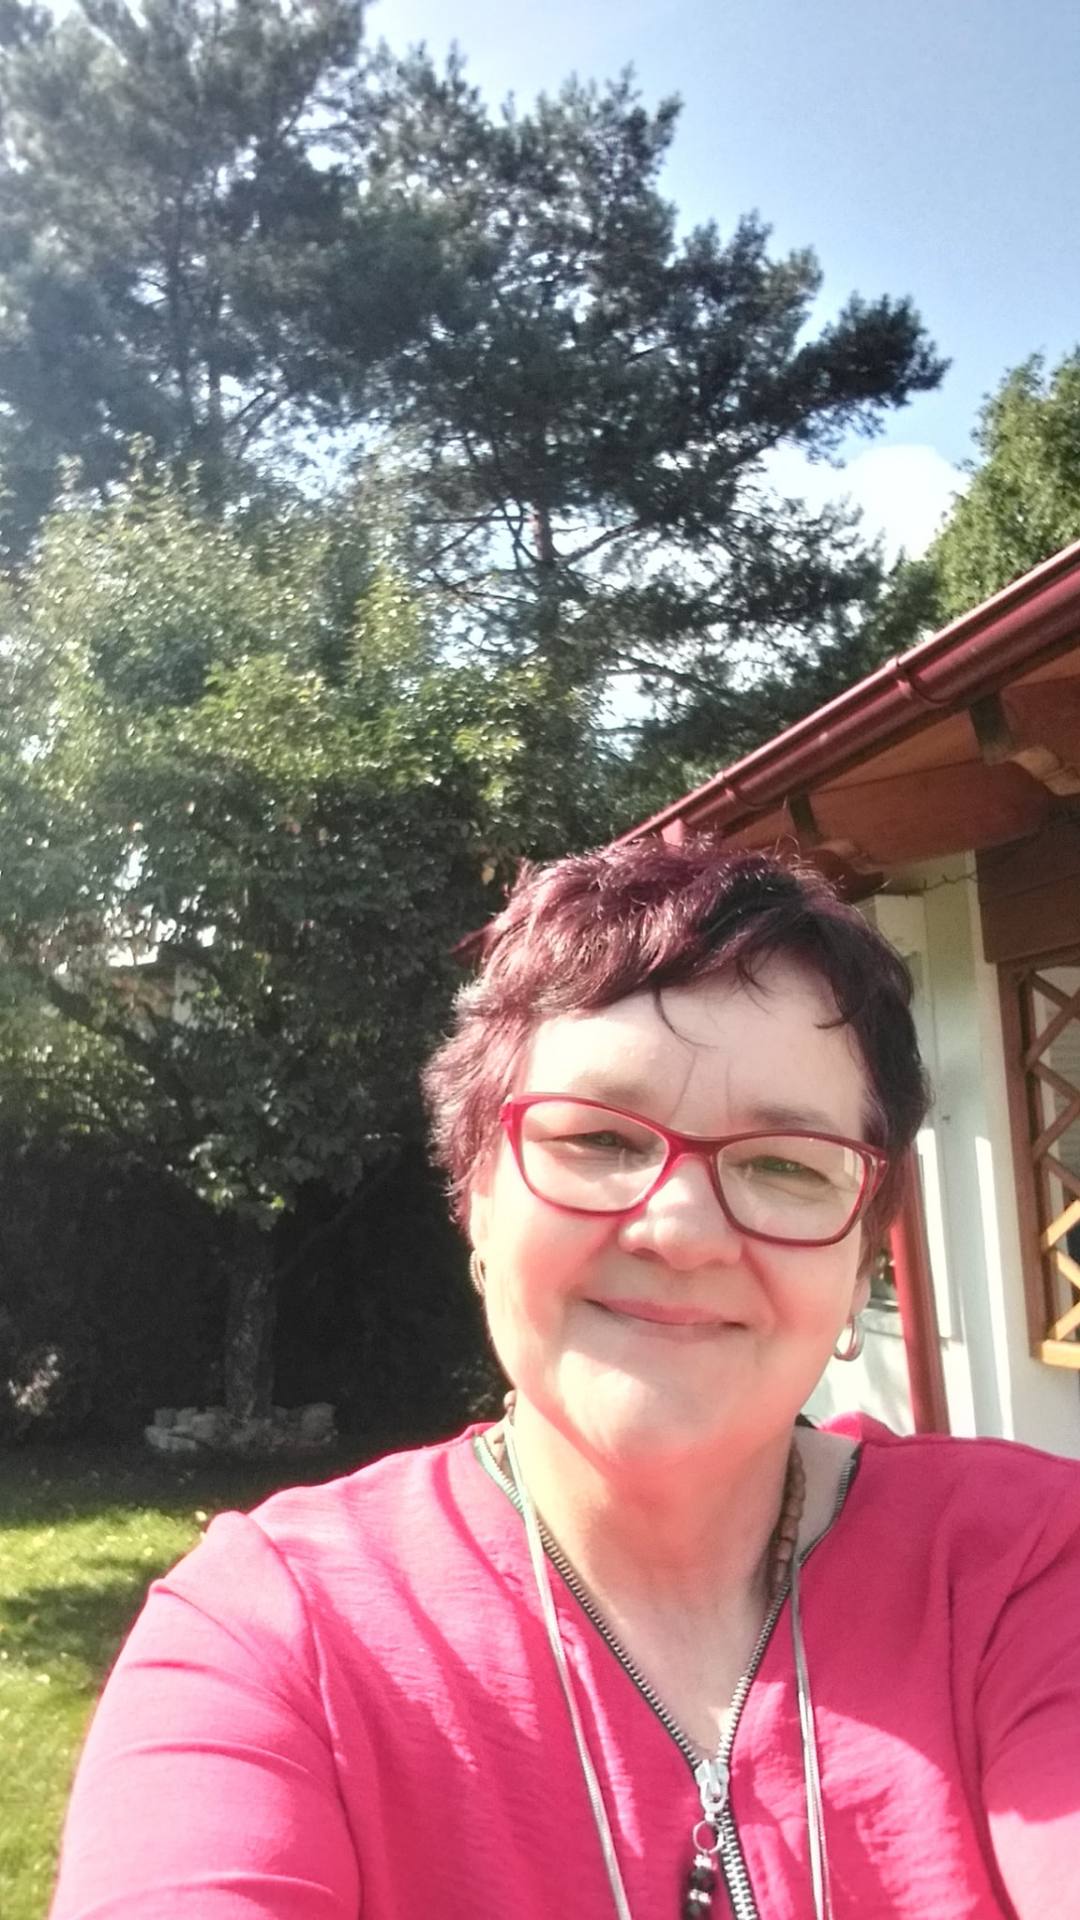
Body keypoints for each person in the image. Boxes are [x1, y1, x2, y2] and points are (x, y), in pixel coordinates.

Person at [49, 839, 1080, 1920]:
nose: (680, 1230)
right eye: (597, 1139)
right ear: (477, 1201)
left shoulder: (1027, 1567)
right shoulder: (274, 1639)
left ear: (864, 1252)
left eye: (785, 1162)